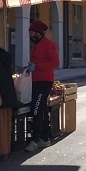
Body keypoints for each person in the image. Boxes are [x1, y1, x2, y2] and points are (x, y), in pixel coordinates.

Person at [27, 20, 59, 152]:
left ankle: (34, 140)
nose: (30, 35)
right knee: (42, 108)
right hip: (36, 79)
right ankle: (44, 138)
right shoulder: (36, 45)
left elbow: (55, 62)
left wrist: (37, 67)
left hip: (44, 80)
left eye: (32, 32)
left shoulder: (48, 44)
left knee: (37, 108)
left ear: (39, 33)